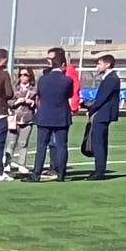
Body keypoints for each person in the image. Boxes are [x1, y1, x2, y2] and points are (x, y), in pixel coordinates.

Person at [33, 46, 75, 180]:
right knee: (62, 146)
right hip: (61, 116)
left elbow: (39, 95)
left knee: (41, 147)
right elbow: (69, 95)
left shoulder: (43, 79)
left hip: (44, 115)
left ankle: (36, 174)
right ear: (63, 65)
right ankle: (61, 174)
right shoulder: (68, 81)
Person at [83, 52, 122, 178]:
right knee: (100, 142)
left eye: (99, 64)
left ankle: (99, 171)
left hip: (103, 114)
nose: (97, 67)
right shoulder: (109, 78)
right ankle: (100, 169)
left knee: (98, 142)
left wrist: (88, 106)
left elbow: (101, 99)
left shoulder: (111, 79)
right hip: (104, 113)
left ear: (107, 64)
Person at [5, 65, 37, 178]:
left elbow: (38, 102)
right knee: (11, 142)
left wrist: (31, 103)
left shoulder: (34, 89)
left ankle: (22, 164)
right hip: (15, 118)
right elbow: (7, 101)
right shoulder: (14, 88)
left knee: (23, 143)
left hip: (28, 118)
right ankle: (7, 163)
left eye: (25, 75)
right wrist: (16, 102)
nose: (23, 77)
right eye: (21, 75)